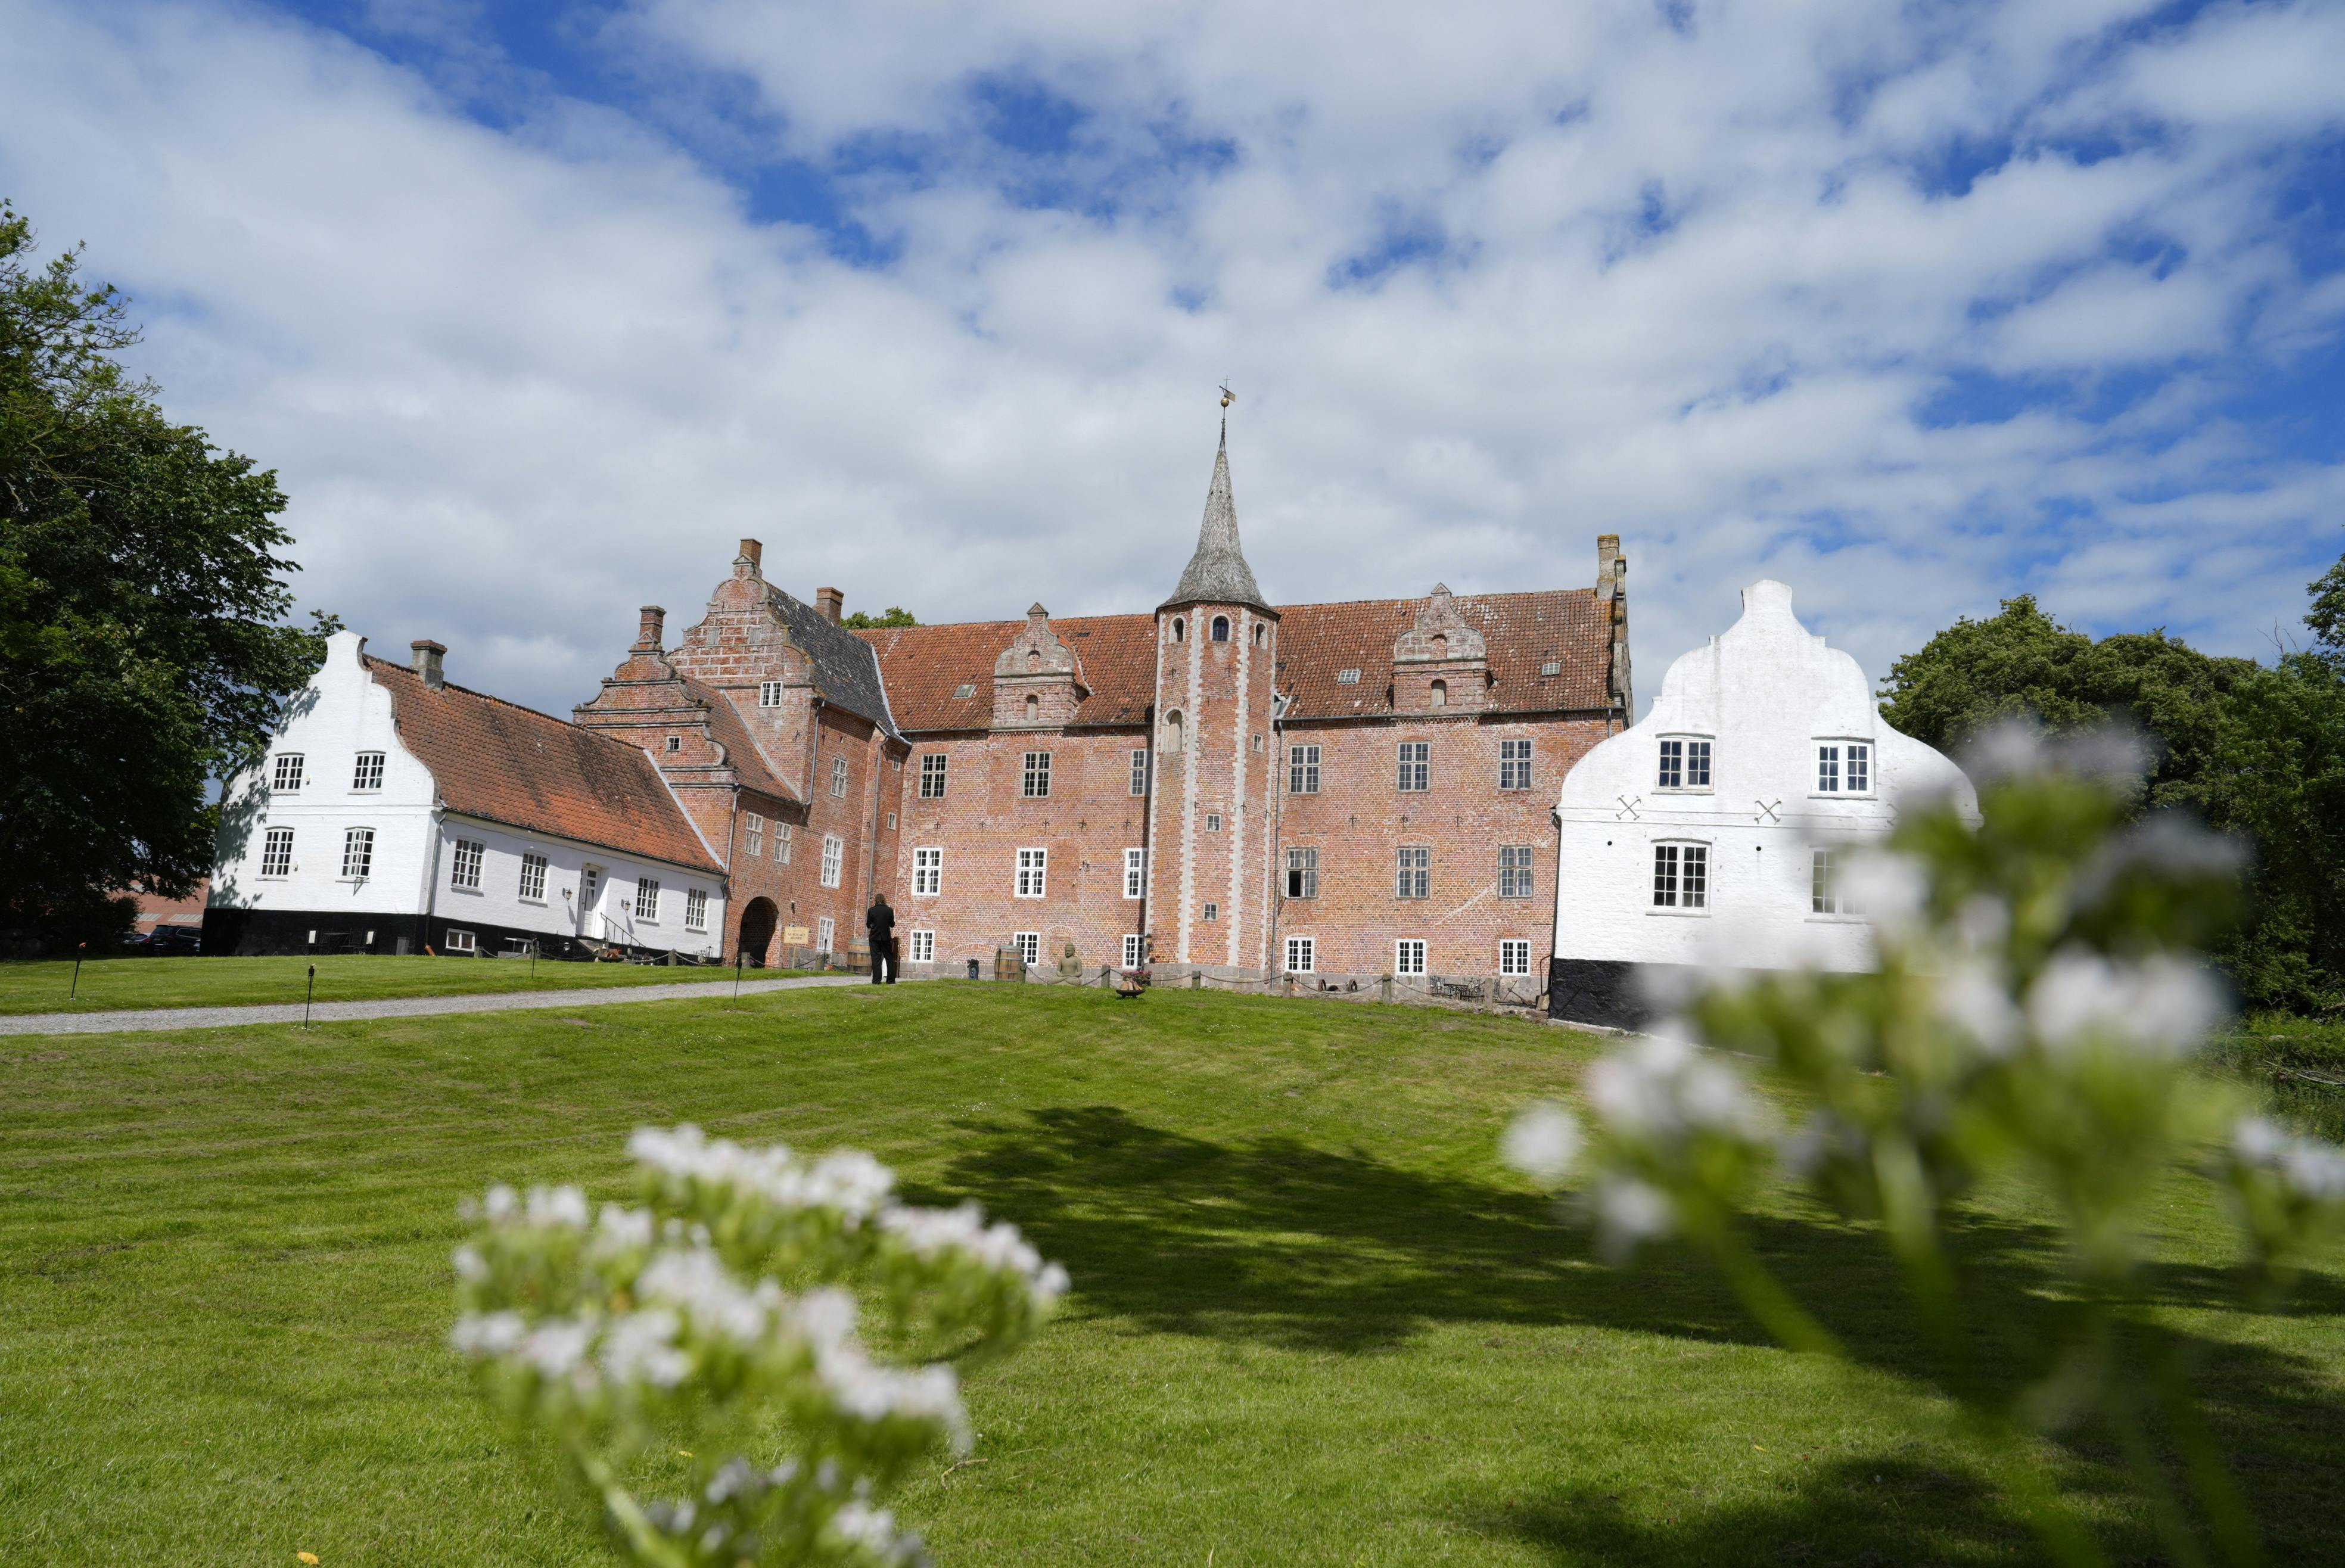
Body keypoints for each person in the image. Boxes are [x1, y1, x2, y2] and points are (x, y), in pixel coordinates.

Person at [864, 893, 897, 984]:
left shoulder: (871, 910)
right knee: (889, 958)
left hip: (875, 937)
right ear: (884, 900)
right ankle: (891, 980)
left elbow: (868, 925)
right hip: (885, 938)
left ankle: (876, 980)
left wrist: (873, 925)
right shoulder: (889, 910)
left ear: (876, 900)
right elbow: (892, 924)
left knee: (876, 959)